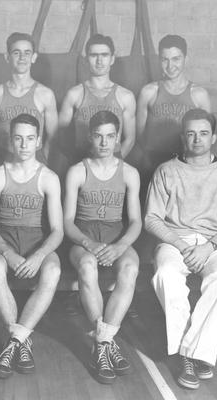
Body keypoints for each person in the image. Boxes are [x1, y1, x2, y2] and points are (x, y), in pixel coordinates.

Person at [145, 108, 217, 390]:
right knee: (165, 273)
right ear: (182, 137)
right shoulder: (166, 171)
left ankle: (193, 352)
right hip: (174, 241)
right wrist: (179, 244)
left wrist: (209, 246)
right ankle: (189, 355)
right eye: (191, 133)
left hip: (214, 244)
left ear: (213, 137)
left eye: (203, 133)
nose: (197, 139)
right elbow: (151, 218)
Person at [0, 113, 63, 379]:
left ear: (39, 141)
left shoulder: (49, 177)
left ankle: (15, 341)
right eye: (18, 138)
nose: (24, 144)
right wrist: (8, 253)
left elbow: (58, 230)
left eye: (30, 139)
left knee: (52, 272)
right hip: (5, 240)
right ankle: (22, 342)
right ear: (10, 141)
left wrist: (39, 256)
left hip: (37, 241)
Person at [63, 111, 141, 384]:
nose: (104, 142)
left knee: (130, 267)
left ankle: (102, 343)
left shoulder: (129, 173)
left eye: (110, 136)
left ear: (118, 138)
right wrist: (88, 243)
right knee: (86, 265)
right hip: (83, 236)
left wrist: (120, 247)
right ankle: (106, 345)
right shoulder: (77, 171)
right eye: (98, 136)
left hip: (115, 236)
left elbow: (135, 222)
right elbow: (67, 222)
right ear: (90, 138)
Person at [136, 34, 211, 180]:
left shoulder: (199, 94)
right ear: (159, 61)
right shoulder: (148, 92)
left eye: (176, 59)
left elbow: (206, 137)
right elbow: (139, 135)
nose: (170, 66)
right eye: (165, 59)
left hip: (186, 164)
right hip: (153, 164)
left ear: (185, 59)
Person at [59, 34, 136, 166]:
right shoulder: (75, 94)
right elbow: (60, 134)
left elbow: (130, 138)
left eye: (104, 55)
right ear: (86, 59)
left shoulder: (125, 96)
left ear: (112, 59)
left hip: (113, 164)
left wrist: (114, 165)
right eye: (94, 55)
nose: (99, 61)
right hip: (82, 163)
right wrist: (77, 162)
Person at [0, 32, 58, 170]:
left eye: (27, 53)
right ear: (7, 57)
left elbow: (53, 137)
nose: (22, 58)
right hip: (4, 160)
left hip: (35, 161)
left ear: (34, 57)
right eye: (16, 53)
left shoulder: (45, 94)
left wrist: (42, 158)